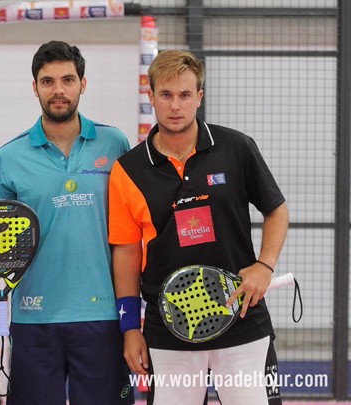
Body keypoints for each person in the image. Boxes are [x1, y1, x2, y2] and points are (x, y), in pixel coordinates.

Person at [108, 49, 289, 404]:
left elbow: (277, 210)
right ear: (151, 97)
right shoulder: (127, 171)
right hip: (168, 331)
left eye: (185, 95)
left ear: (199, 98)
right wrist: (130, 327)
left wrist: (265, 266)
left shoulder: (236, 148)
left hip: (242, 322)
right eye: (166, 95)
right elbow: (127, 253)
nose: (175, 106)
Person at [0, 40, 134, 405]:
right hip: (34, 316)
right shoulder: (9, 157)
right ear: (35, 86)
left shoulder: (115, 143)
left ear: (82, 84)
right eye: (48, 81)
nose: (59, 90)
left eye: (68, 80)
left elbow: (130, 229)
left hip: (102, 314)